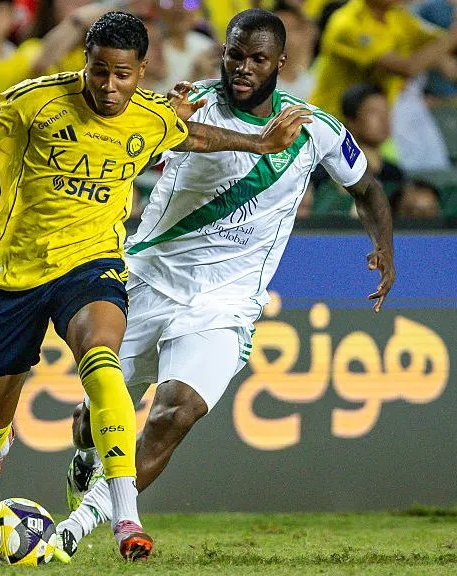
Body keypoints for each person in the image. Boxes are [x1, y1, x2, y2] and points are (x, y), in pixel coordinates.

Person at [0, 10, 311, 561]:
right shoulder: (34, 101)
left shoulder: (148, 115)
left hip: (93, 263)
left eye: (124, 75)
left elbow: (195, 134)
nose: (110, 87)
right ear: (84, 63)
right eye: (99, 72)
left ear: (141, 71)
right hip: (16, 272)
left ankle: (125, 518)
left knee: (102, 358)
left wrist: (260, 146)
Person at [53, 9, 395, 560]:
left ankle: (75, 527)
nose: (241, 68)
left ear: (280, 63)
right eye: (234, 55)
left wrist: (384, 248)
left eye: (257, 59)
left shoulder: (317, 130)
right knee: (91, 419)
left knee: (175, 411)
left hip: (224, 305)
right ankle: (87, 467)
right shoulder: (182, 106)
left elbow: (369, 190)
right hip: (147, 280)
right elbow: (121, 142)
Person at [309, 0, 457, 123]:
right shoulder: (346, 23)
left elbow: (441, 44)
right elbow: (408, 68)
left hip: (377, 122)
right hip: (331, 121)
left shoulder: (398, 17)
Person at [340, 83, 404, 191]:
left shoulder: (395, 174)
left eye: (386, 112)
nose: (384, 119)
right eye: (374, 112)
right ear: (351, 122)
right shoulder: (334, 171)